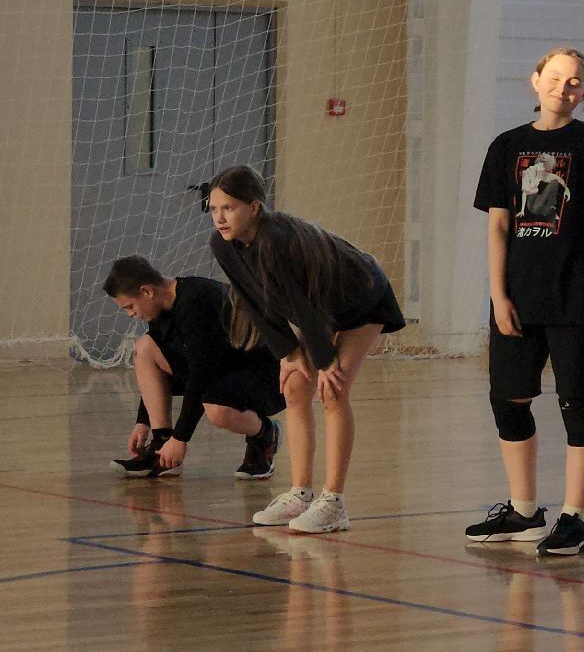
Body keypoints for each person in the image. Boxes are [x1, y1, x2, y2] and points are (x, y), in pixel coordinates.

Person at [464, 46, 584, 556]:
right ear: (535, 80)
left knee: (577, 402)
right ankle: (523, 511)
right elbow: (498, 227)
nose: (564, 87)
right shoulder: (506, 146)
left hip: (579, 299)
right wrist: (498, 295)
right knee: (508, 400)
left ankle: (575, 517)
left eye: (575, 81)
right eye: (556, 77)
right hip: (519, 297)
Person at [198, 165, 405, 533]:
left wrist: (325, 361)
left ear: (254, 207)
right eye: (214, 209)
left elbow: (304, 303)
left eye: (228, 208)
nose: (220, 218)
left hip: (362, 299)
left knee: (333, 390)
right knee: (294, 387)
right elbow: (253, 301)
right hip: (320, 308)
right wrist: (288, 354)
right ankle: (300, 494)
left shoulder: (275, 240)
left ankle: (334, 503)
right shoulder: (222, 245)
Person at [101, 255, 283, 480]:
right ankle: (161, 448)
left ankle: (265, 434)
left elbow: (202, 374)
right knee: (145, 347)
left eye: (129, 306)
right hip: (224, 370)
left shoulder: (195, 301)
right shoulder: (160, 308)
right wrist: (142, 423)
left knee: (215, 407)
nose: (130, 314)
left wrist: (181, 439)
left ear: (147, 291)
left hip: (266, 376)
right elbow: (167, 364)